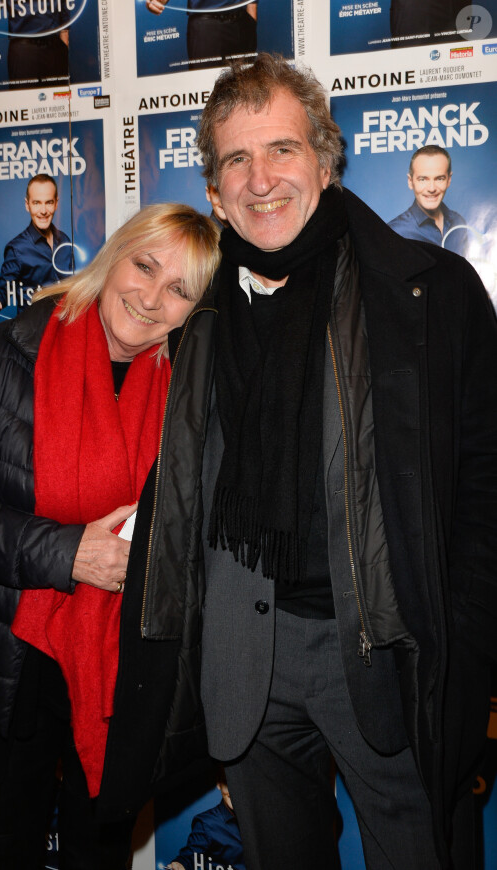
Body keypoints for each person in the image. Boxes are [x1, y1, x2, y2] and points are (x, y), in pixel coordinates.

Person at [165, 53, 494, 869]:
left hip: (384, 651)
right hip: (248, 661)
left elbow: (484, 488)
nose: (261, 178)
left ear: (325, 159)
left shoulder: (430, 292)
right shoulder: (193, 314)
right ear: (214, 190)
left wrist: (464, 658)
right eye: (236, 159)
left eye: (281, 149)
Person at [0, 203, 221, 870]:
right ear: (115, 256)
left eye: (180, 290)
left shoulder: (190, 393)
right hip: (5, 660)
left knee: (101, 854)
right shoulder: (10, 354)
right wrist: (67, 553)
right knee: (1, 850)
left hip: (124, 670)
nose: (150, 297)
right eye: (145, 266)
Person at [0, 174, 73, 321]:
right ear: (27, 204)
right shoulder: (17, 248)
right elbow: (4, 288)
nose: (43, 210)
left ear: (56, 203)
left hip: (63, 330)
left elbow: (71, 286)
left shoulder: (65, 241)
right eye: (36, 203)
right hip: (32, 335)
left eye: (48, 202)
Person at [388, 146, 469, 256]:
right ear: (410, 182)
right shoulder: (395, 232)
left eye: (439, 178)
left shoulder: (458, 222)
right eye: (422, 179)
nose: (431, 188)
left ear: (449, 180)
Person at [0, 0, 70, 90]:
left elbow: (64, 8)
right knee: (23, 102)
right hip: (23, 51)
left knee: (59, 102)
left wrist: (64, 50)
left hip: (55, 48)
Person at [145, 0, 257, 71]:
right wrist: (156, 1)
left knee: (245, 92)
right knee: (206, 90)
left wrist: (251, 20)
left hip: (242, 25)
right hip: (207, 27)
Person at [167, 770, 245, 870]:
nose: (233, 791)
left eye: (239, 784)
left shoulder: (262, 819)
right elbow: (189, 857)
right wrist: (180, 865)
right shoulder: (207, 823)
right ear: (219, 784)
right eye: (227, 783)